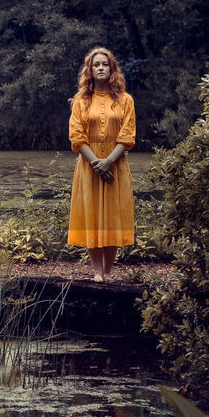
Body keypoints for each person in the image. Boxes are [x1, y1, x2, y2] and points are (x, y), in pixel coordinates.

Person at [67, 46, 135, 281]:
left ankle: (108, 271)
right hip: (89, 166)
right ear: (90, 70)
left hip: (116, 165)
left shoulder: (125, 100)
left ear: (112, 68)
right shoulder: (80, 101)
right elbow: (76, 135)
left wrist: (108, 162)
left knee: (112, 216)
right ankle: (97, 271)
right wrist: (97, 163)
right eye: (96, 64)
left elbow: (127, 135)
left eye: (105, 64)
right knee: (92, 216)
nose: (101, 68)